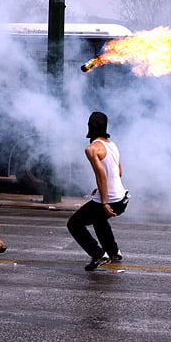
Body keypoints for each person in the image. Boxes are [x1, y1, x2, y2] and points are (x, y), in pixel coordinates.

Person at [67, 112, 129, 271]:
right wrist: (101, 190)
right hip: (122, 197)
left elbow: (101, 176)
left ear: (90, 127)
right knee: (98, 220)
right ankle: (114, 252)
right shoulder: (112, 145)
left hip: (111, 199)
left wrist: (104, 202)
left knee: (74, 224)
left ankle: (98, 254)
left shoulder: (92, 149)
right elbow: (119, 172)